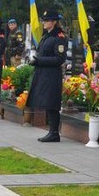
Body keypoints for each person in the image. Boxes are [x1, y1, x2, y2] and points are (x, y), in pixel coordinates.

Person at [26, 10, 68, 142]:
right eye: (43, 20)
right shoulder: (47, 36)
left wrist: (40, 61)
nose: (43, 23)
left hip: (52, 75)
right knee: (48, 102)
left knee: (52, 103)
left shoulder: (59, 37)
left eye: (46, 20)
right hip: (44, 73)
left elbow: (59, 59)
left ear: (54, 22)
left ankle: (54, 133)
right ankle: (52, 132)